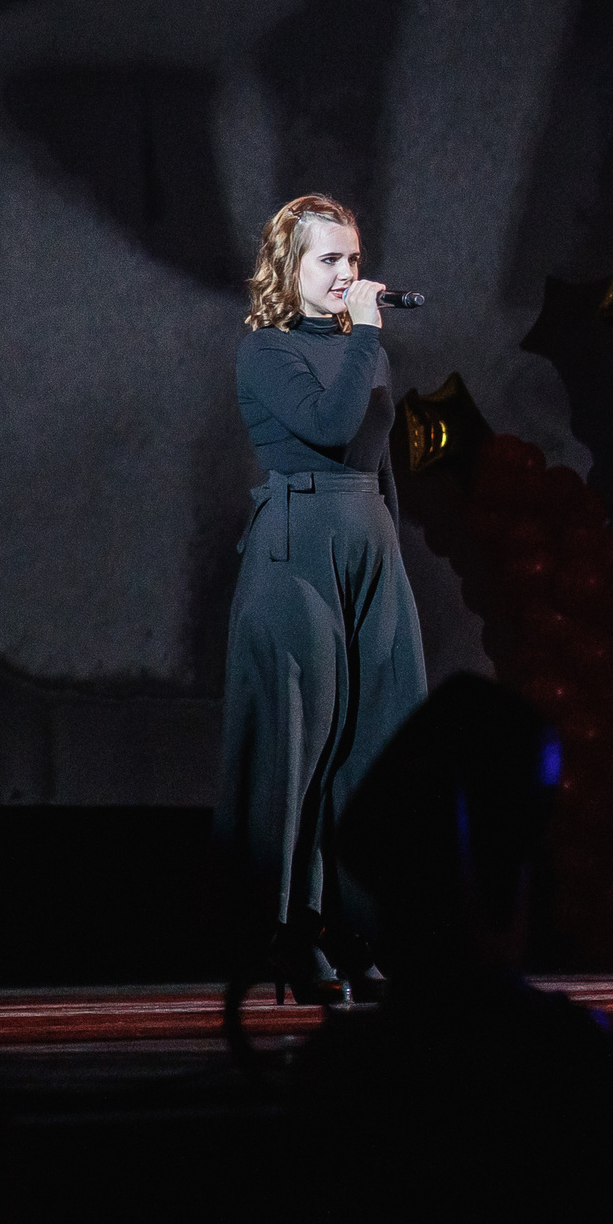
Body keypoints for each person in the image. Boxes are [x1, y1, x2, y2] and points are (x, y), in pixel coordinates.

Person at [217, 194, 427, 1003]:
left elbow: (378, 462)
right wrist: (368, 333)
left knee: (373, 743)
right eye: (328, 260)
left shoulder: (361, 350)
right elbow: (333, 426)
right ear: (290, 267)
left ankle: (358, 928)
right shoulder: (266, 351)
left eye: (352, 257)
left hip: (367, 544)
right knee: (299, 748)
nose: (347, 273)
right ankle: (286, 932)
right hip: (297, 547)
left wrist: (391, 558)